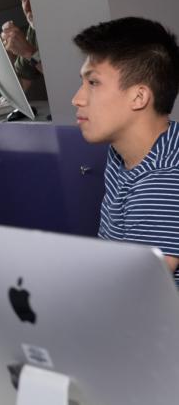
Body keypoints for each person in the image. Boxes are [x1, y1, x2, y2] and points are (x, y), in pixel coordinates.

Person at [72, 17, 179, 287]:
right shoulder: (125, 153)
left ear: (139, 97)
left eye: (93, 83)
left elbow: (132, 289)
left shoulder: (163, 179)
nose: (77, 98)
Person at [0, 0, 44, 94]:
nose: (27, 7)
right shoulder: (34, 28)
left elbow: (66, 79)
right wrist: (6, 55)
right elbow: (19, 88)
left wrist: (29, 53)